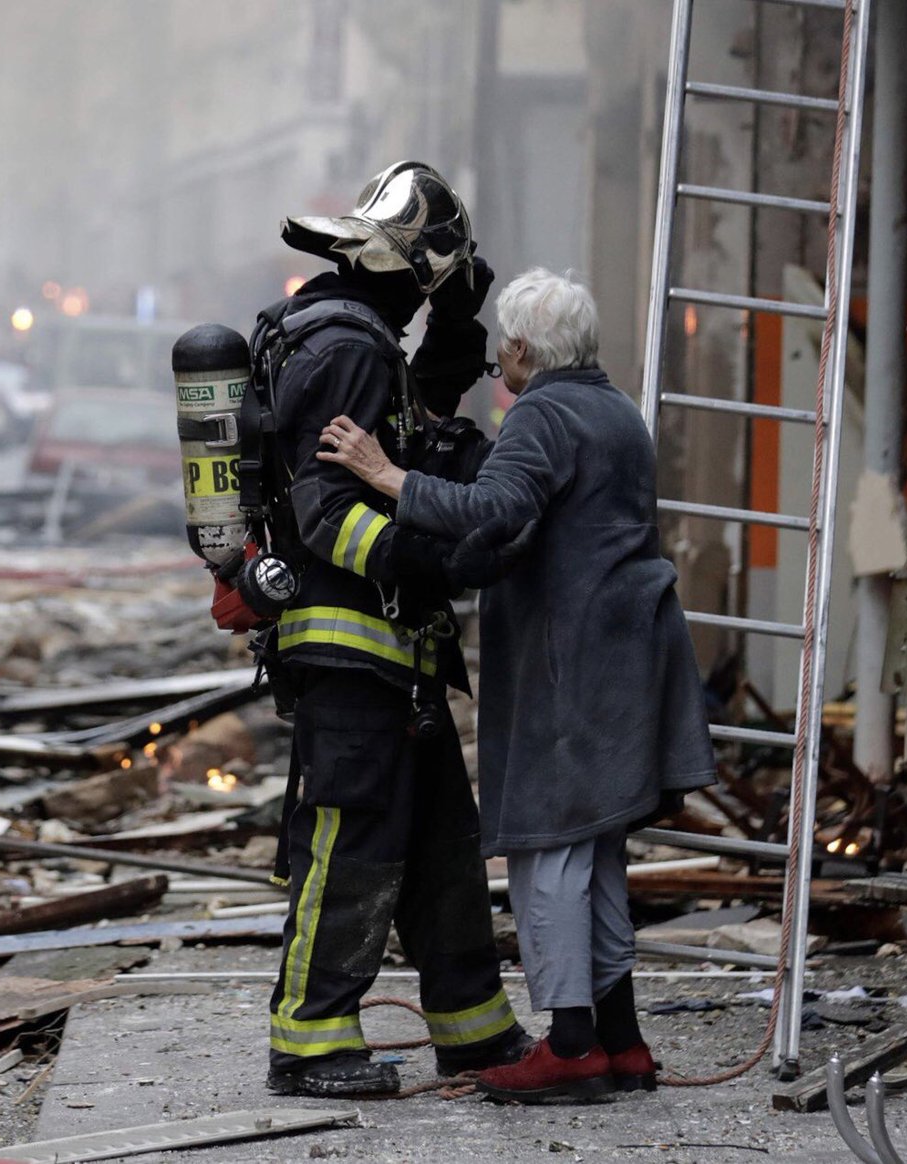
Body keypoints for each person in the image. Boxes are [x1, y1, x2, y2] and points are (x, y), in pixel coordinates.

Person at [318, 267, 718, 1103]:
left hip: (571, 667)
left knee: (550, 853)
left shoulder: (545, 412)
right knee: (597, 849)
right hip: (628, 657)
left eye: (504, 341)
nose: (497, 353)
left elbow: (494, 510)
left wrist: (384, 474)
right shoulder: (615, 411)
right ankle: (622, 1042)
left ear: (525, 349)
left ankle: (570, 1048)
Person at [240, 162, 529, 1100]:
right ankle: (311, 1040)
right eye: (437, 284)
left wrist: (461, 322)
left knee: (444, 840)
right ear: (412, 268)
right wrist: (426, 557)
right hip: (351, 643)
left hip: (396, 653)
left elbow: (424, 420)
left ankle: (475, 1031)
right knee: (351, 839)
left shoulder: (347, 335)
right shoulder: (351, 348)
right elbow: (327, 511)